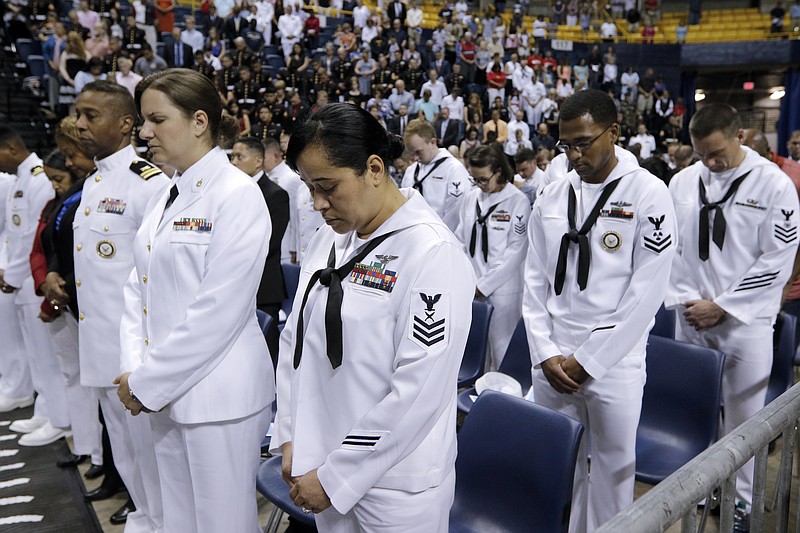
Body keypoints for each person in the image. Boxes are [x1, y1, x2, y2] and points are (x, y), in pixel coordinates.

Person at [271, 102, 474, 531]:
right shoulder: (330, 239)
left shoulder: (432, 253)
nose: (317, 204)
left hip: (393, 485)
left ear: (375, 168)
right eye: (309, 187)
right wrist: (290, 434)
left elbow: (419, 390)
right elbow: (297, 342)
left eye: (328, 187)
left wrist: (337, 475)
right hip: (322, 462)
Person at [116, 68, 273, 532]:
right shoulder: (167, 191)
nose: (144, 133)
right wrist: (134, 369)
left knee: (222, 523)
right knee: (178, 521)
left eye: (156, 120)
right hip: (159, 391)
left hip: (216, 397)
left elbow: (217, 312)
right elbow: (136, 289)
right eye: (143, 121)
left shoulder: (237, 196)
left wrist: (147, 380)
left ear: (199, 121)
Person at [523, 90, 676, 533]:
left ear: (614, 132)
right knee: (557, 465)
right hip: (552, 356)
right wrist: (544, 352)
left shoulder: (649, 193)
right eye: (565, 145)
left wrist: (590, 358)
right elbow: (532, 282)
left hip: (614, 360)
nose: (574, 154)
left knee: (612, 473)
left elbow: (646, 294)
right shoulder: (553, 196)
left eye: (584, 142)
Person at [665, 104, 800, 530]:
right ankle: (699, 490)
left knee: (744, 420)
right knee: (693, 412)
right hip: (691, 317)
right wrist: (690, 301)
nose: (709, 162)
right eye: (701, 153)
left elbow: (778, 260)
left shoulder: (774, 186)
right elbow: (670, 249)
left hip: (745, 323)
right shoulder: (683, 182)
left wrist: (722, 305)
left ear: (739, 135)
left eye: (717, 152)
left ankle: (741, 503)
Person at [73, 80, 169, 527]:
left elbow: (156, 278)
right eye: (78, 114)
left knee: (149, 452)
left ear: (127, 123)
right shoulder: (94, 181)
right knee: (126, 451)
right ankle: (146, 517)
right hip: (99, 342)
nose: (79, 124)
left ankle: (158, 519)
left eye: (91, 115)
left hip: (132, 350)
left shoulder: (145, 183)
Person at [0, 125, 72, 449]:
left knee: (47, 355)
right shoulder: (19, 178)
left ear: (11, 149)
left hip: (35, 279)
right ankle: (46, 409)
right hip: (21, 275)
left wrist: (14, 275)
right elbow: (15, 236)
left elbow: (35, 236)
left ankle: (60, 418)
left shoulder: (38, 178)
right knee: (37, 354)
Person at [457, 144, 529, 371]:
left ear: (499, 172)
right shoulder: (471, 198)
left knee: (501, 349)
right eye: (474, 179)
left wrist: (484, 285)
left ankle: (499, 399)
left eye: (483, 179)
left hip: (502, 290)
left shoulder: (517, 201)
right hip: (470, 284)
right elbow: (460, 239)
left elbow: (515, 251)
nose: (479, 184)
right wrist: (465, 277)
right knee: (476, 349)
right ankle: (477, 394)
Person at [230, 136, 289, 362]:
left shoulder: (275, 194)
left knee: (265, 355)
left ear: (257, 161)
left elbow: (270, 243)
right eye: (232, 156)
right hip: (237, 284)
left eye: (239, 157)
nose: (233, 162)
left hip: (264, 285)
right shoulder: (232, 192)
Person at [402, 118, 472, 232]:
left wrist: (437, 235)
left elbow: (456, 212)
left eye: (418, 152)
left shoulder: (454, 170)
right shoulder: (411, 171)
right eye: (412, 153)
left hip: (442, 236)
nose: (415, 158)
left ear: (433, 142)